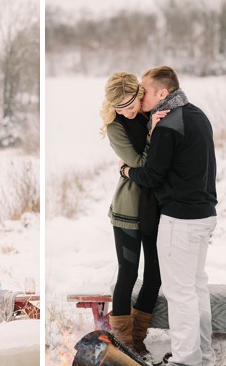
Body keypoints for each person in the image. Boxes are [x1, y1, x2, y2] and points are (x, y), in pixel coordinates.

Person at [121, 66, 218, 366]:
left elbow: (151, 175)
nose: (141, 96)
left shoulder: (167, 124)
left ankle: (186, 360)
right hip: (204, 215)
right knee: (196, 287)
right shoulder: (196, 114)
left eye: (145, 91)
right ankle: (202, 354)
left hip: (181, 219)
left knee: (180, 293)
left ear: (163, 93)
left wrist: (126, 170)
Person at [100, 72, 162, 360]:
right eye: (120, 106)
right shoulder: (115, 127)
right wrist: (153, 134)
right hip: (127, 211)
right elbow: (141, 163)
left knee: (154, 275)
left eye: (130, 102)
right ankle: (123, 342)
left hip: (155, 208)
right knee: (128, 273)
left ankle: (138, 339)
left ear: (138, 93)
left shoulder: (150, 112)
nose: (128, 110)